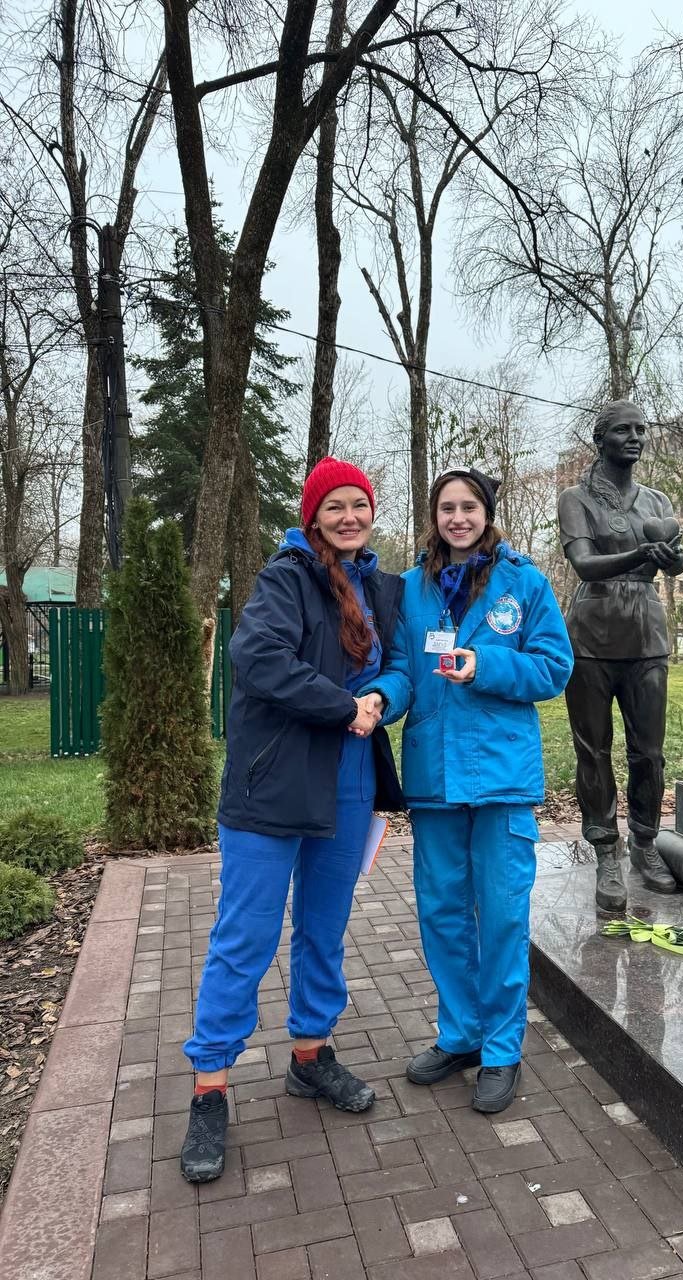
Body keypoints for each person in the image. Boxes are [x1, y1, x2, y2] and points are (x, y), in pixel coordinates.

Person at [179, 457, 404, 1183]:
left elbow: (398, 667)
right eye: (334, 506)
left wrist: (381, 699)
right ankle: (210, 1087)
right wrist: (345, 706)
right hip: (273, 785)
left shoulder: (378, 585)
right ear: (313, 517)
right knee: (244, 937)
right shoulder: (285, 578)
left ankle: (310, 1054)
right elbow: (258, 658)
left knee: (322, 929)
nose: (349, 517)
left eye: (359, 504)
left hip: (349, 781)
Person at [362, 467, 573, 1114]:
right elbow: (402, 669)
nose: (458, 518)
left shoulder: (523, 583)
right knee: (442, 913)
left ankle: (502, 1050)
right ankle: (461, 1035)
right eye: (447, 507)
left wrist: (487, 665)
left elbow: (554, 667)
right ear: (435, 516)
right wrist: (381, 699)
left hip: (502, 777)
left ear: (487, 513)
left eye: (469, 507)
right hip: (435, 777)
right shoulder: (411, 588)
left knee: (503, 916)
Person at [557, 400, 683, 912]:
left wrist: (672, 559)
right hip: (591, 637)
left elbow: (675, 564)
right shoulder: (576, 498)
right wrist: (639, 555)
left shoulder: (657, 500)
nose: (635, 438)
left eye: (641, 430)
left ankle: (645, 842)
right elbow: (584, 563)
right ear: (600, 439)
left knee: (649, 752)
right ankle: (606, 850)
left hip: (646, 633)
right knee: (593, 750)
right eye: (623, 430)